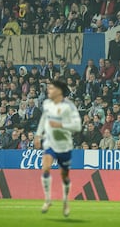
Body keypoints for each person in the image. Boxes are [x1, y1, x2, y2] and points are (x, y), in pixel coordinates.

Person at [35, 80, 82, 217]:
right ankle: (48, 199)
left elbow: (77, 127)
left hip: (64, 144)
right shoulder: (47, 104)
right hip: (50, 143)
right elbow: (44, 119)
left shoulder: (70, 107)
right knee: (45, 168)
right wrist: (38, 135)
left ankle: (66, 201)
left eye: (51, 88)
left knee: (64, 176)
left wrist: (61, 125)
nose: (48, 91)